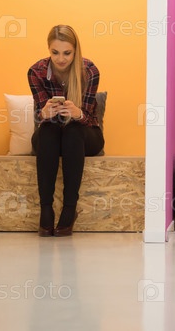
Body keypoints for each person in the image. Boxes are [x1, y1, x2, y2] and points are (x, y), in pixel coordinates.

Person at [28, 25, 104, 237]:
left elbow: (88, 118)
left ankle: (70, 209)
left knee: (72, 130)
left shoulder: (89, 71)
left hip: (85, 135)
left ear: (75, 50)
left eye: (67, 53)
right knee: (49, 130)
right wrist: (44, 113)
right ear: (48, 49)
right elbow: (39, 115)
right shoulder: (36, 72)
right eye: (55, 52)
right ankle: (46, 210)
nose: (61, 59)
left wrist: (78, 113)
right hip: (50, 136)